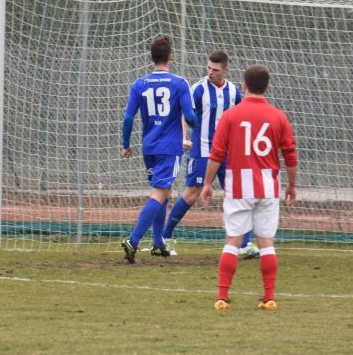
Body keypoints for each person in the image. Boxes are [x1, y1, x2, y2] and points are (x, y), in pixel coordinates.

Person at [200, 65, 297, 311]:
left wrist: (208, 183)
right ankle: (269, 297)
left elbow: (217, 154)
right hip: (268, 187)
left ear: (244, 85)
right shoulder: (278, 116)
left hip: (239, 187)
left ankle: (222, 297)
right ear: (266, 86)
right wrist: (292, 185)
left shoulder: (231, 115)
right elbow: (290, 155)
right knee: (266, 241)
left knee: (233, 240)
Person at [162, 51, 257, 258]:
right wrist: (182, 138)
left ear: (225, 69)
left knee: (237, 195)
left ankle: (244, 244)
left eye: (215, 69)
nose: (210, 72)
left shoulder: (233, 91)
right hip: (202, 151)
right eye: (208, 68)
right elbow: (182, 115)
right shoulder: (198, 90)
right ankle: (165, 237)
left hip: (228, 153)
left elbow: (241, 118)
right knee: (192, 193)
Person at [120, 35, 197, 263]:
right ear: (170, 57)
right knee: (160, 192)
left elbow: (127, 118)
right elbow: (190, 117)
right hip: (169, 148)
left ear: (151, 57)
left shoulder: (139, 84)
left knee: (163, 190)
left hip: (149, 147)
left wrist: (125, 144)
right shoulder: (179, 83)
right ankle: (133, 241)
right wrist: (198, 125)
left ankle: (157, 243)